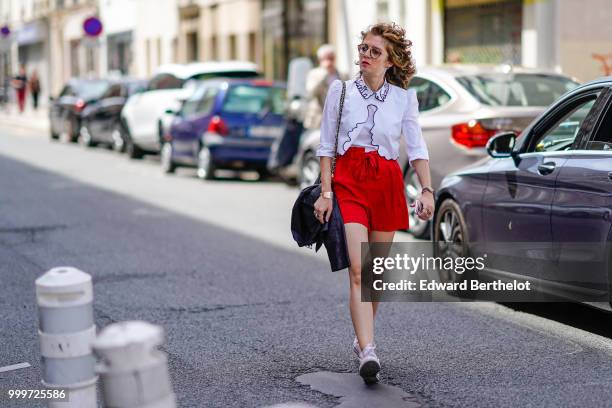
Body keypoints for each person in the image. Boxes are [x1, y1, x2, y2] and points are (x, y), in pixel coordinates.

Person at [313, 22, 435, 384]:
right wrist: (325, 192)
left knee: (374, 272)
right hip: (349, 181)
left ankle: (360, 337)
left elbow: (416, 148)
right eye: (363, 48)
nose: (365, 55)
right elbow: (325, 146)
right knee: (357, 267)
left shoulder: (403, 99)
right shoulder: (341, 91)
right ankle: (368, 350)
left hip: (385, 183)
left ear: (391, 61)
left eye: (374, 51)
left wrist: (427, 190)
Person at [303, 44, 348, 130]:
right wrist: (324, 74)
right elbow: (311, 92)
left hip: (337, 120)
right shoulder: (314, 74)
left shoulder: (343, 75)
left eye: (331, 58)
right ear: (320, 59)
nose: (329, 61)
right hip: (318, 120)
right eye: (326, 58)